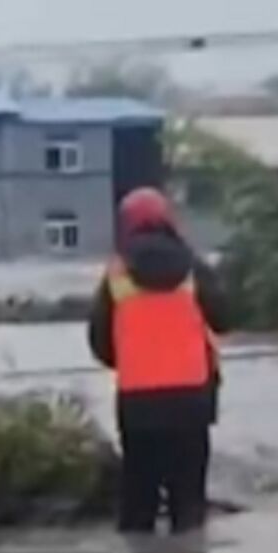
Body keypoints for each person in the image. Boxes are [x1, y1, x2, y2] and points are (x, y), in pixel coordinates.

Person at [88, 187, 229, 534]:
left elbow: (99, 341)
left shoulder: (116, 275)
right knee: (189, 505)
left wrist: (133, 362)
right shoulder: (194, 268)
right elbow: (224, 318)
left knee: (138, 503)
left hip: (138, 403)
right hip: (193, 399)